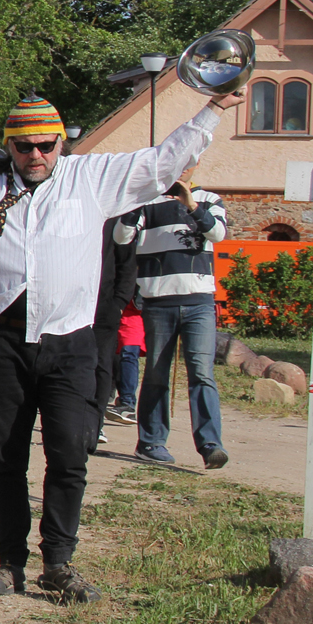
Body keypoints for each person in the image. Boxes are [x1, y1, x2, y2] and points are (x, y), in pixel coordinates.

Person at [0, 89, 242, 603]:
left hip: (70, 341)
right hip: (3, 340)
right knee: (5, 457)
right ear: (9, 146)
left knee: (69, 453)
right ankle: (9, 562)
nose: (37, 155)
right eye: (25, 146)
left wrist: (211, 110)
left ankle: (59, 562)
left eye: (47, 145)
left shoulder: (92, 179)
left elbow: (163, 160)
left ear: (61, 143)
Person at [114, 163, 230, 468]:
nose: (183, 169)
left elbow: (217, 233)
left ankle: (210, 444)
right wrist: (133, 202)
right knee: (156, 373)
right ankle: (150, 443)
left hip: (199, 303)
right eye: (178, 162)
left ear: (197, 166)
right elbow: (121, 236)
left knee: (202, 373)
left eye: (189, 163)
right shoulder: (147, 202)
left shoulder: (209, 200)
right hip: (157, 302)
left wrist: (190, 203)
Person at [90, 216, 139, 452]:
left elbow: (127, 263)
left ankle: (94, 425)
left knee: (101, 368)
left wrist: (118, 303)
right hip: (68, 305)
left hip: (104, 306)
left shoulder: (115, 219)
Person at [110, 301, 143, 425]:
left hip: (138, 310)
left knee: (129, 353)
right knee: (124, 353)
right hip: (120, 309)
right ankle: (125, 401)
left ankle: (128, 402)